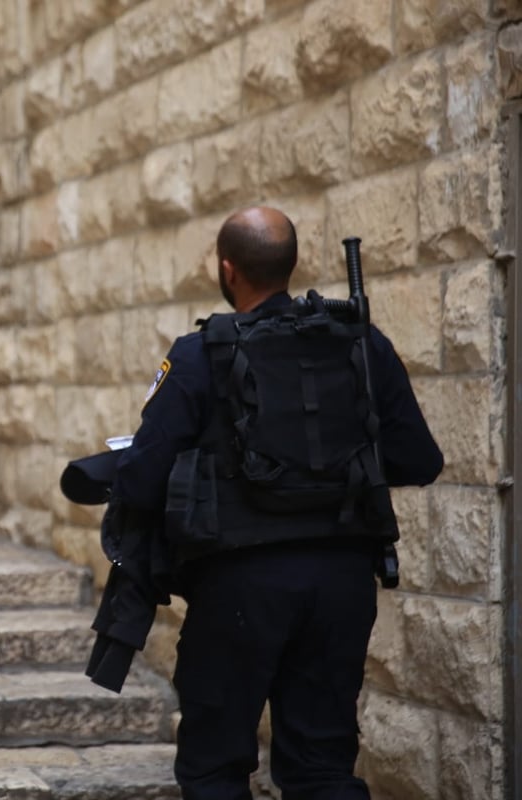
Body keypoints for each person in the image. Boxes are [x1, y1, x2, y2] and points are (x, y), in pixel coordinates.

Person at [108, 206, 444, 799]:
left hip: (238, 584)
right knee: (322, 766)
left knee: (216, 766)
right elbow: (420, 460)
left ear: (227, 270)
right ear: (292, 266)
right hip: (342, 581)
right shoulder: (361, 342)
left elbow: (140, 479)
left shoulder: (198, 353)